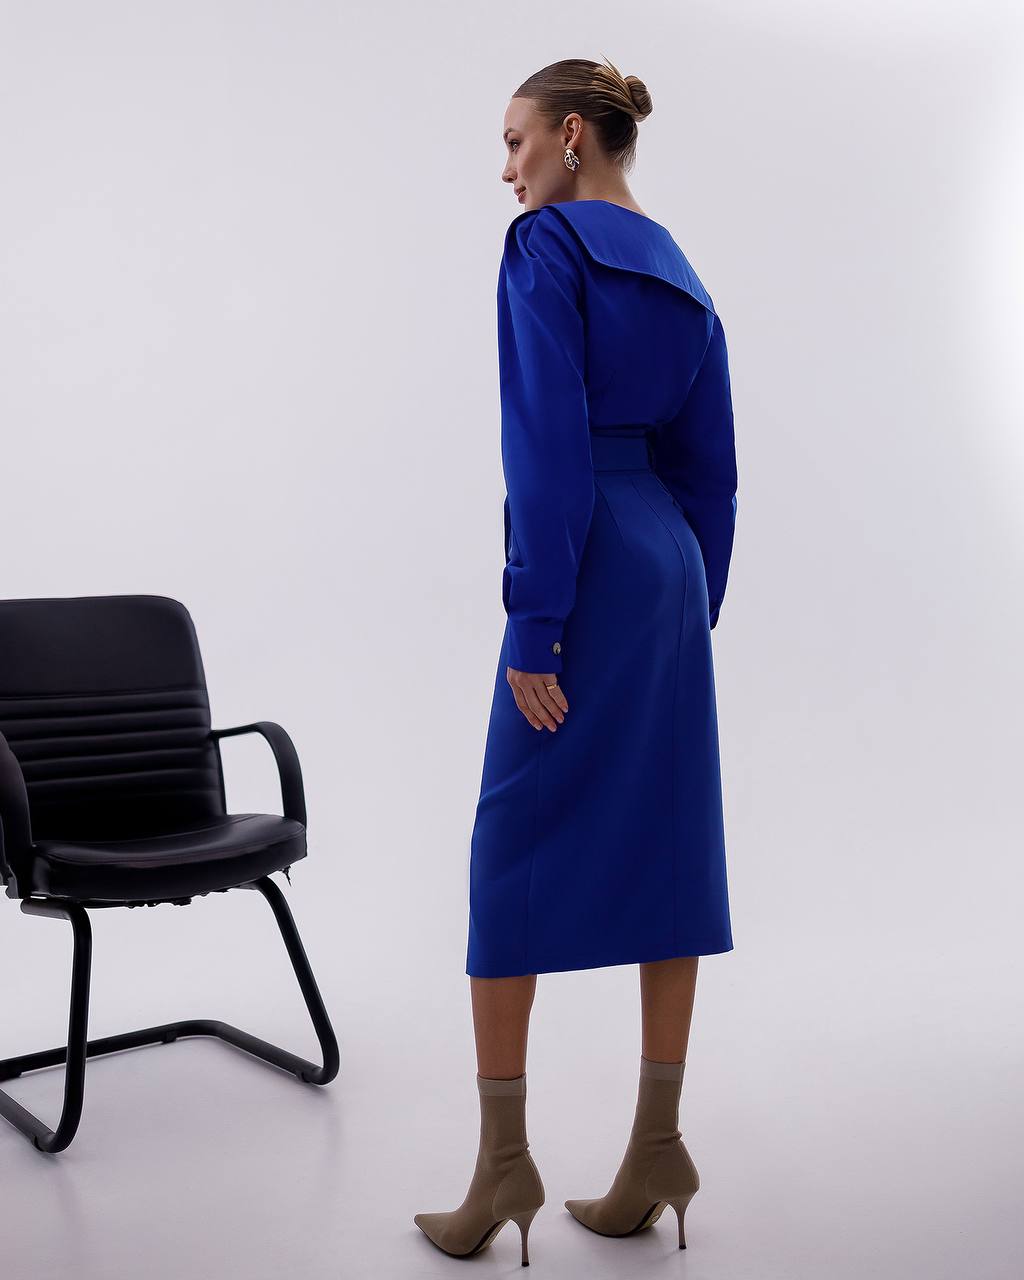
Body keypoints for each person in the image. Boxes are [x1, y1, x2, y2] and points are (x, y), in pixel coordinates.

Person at [414, 56, 739, 1266]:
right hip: (664, 564)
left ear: (567, 137)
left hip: (588, 561)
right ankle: (657, 1142)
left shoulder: (545, 250)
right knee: (668, 836)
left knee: (508, 855)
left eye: (511, 145)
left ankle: (504, 1167)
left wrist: (537, 620)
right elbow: (713, 459)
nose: (506, 173)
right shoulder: (682, 270)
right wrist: (693, 590)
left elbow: (544, 448)